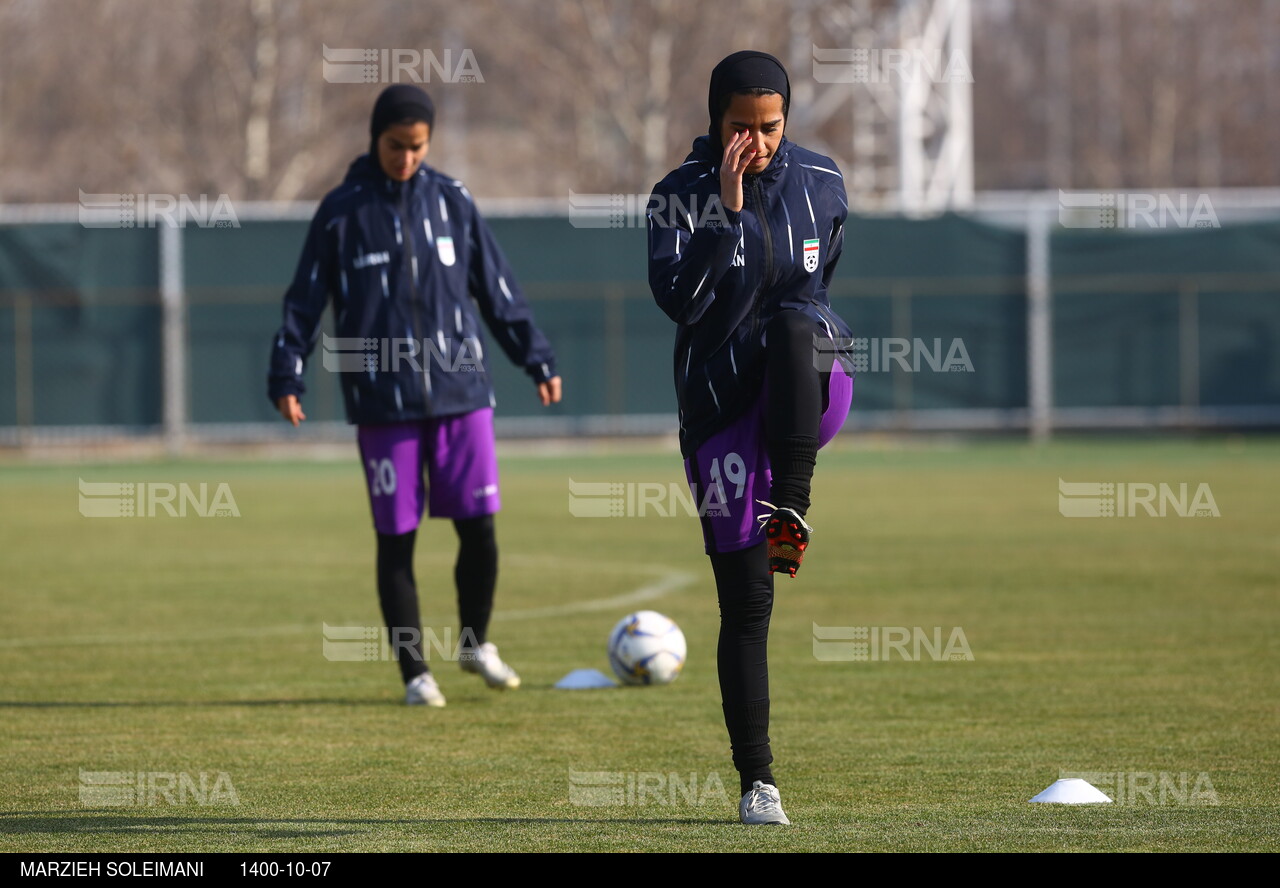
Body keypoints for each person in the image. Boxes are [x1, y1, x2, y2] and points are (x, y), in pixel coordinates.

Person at [268, 84, 562, 708]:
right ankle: (414, 674)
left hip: (462, 394)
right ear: (376, 138)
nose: (406, 158)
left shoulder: (452, 200)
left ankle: (475, 642)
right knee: (396, 541)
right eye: (396, 146)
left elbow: (497, 290)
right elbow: (304, 301)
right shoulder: (342, 212)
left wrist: (535, 356)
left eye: (418, 147)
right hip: (384, 406)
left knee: (479, 529)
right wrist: (286, 374)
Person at [647, 51, 855, 824]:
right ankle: (758, 782)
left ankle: (792, 503)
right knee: (746, 608)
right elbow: (682, 303)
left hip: (812, 379)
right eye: (742, 126)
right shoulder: (677, 197)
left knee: (806, 327)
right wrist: (726, 213)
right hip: (719, 408)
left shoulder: (824, 182)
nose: (758, 141)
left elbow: (822, 278)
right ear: (715, 121)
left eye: (770, 126)